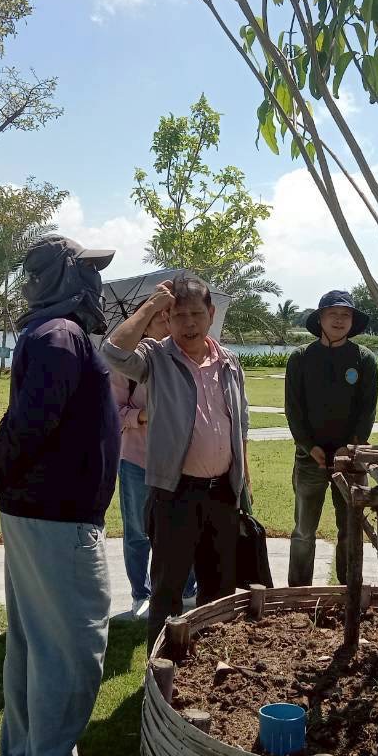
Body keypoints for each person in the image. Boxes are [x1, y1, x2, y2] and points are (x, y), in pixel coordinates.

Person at [0, 235, 123, 756]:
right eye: (87, 271)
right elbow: (30, 422)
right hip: (59, 520)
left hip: (38, 513)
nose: (96, 284)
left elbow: (30, 422)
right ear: (63, 276)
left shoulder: (48, 332)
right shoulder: (61, 336)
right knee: (74, 655)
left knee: (32, 646)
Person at [101, 274, 251, 649]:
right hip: (176, 493)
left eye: (196, 314)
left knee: (219, 588)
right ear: (169, 317)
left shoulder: (229, 362)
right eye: (179, 315)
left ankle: (211, 663)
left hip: (222, 494)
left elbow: (241, 422)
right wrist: (151, 305)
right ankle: (161, 669)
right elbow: (113, 352)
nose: (189, 323)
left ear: (210, 314)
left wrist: (243, 481)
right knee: (167, 590)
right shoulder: (156, 357)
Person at [283, 290, 378, 586]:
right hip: (309, 458)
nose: (339, 320)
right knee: (303, 530)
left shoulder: (364, 359)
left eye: (346, 315)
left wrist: (348, 448)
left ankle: (350, 590)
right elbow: (293, 409)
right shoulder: (300, 358)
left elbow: (367, 410)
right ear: (320, 319)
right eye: (333, 314)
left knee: (350, 528)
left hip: (349, 461)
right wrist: (308, 445)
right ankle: (298, 592)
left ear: (352, 321)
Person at [111, 305, 197, 618]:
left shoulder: (186, 356)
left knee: (182, 527)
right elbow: (113, 413)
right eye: (158, 314)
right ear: (143, 322)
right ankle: (140, 593)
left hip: (180, 460)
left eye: (170, 314)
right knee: (137, 530)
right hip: (137, 459)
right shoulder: (130, 362)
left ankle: (188, 589)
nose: (165, 319)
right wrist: (142, 415)